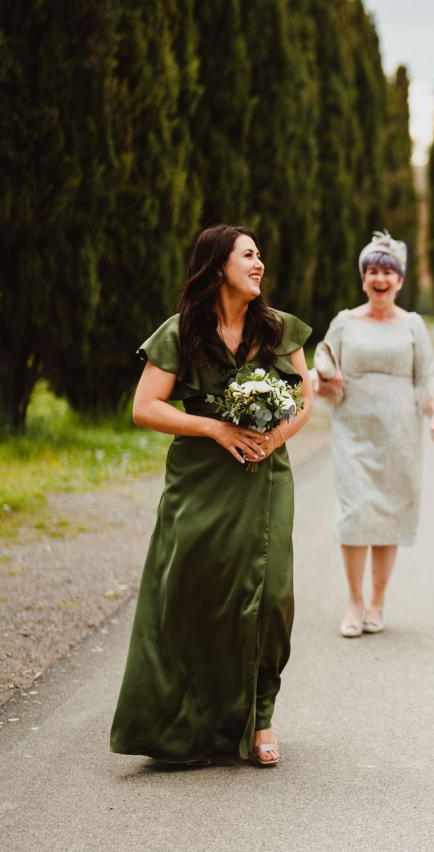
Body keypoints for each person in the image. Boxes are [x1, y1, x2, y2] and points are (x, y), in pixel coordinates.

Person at [110, 224, 315, 768]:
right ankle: (186, 726)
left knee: (270, 598)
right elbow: (145, 408)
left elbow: (303, 401)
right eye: (248, 255)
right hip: (199, 481)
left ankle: (261, 717)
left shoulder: (277, 329)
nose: (259, 264)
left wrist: (271, 438)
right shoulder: (181, 332)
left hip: (265, 478)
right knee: (192, 594)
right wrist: (215, 429)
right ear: (217, 265)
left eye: (260, 255)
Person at [316, 231, 434, 638]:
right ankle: (354, 602)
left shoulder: (413, 325)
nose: (380, 279)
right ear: (363, 278)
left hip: (400, 433)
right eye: (372, 271)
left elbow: (427, 378)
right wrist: (327, 381)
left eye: (387, 272)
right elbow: (323, 368)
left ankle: (377, 602)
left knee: (388, 515)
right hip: (353, 430)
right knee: (356, 512)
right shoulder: (343, 322)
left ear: (400, 281)